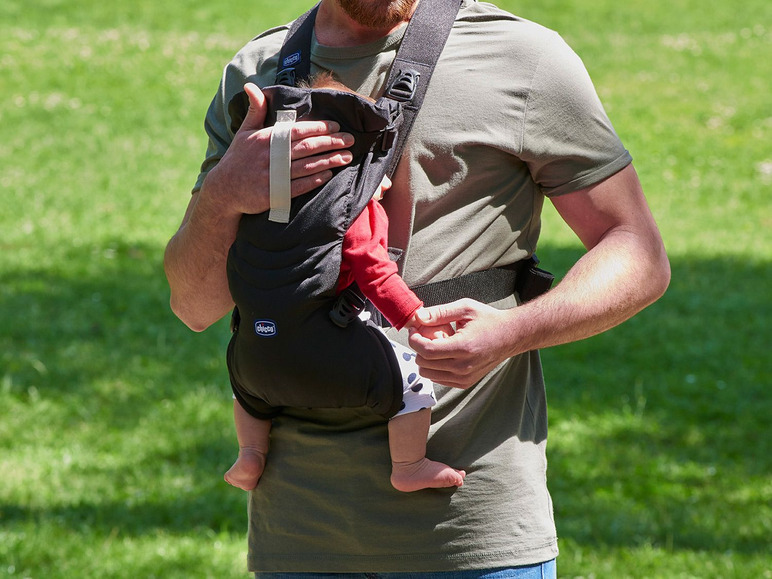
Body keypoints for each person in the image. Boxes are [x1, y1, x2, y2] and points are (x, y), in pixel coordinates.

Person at [163, 0, 670, 575]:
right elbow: (194, 304)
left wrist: (513, 331)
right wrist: (225, 194)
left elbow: (638, 253)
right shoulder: (260, 70)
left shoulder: (522, 58)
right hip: (298, 537)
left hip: (469, 536)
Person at [224, 73, 465, 494]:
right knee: (412, 379)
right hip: (327, 355)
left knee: (246, 390)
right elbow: (373, 269)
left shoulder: (254, 200)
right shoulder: (351, 211)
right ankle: (409, 465)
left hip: (252, 363)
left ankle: (249, 455)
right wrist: (415, 317)